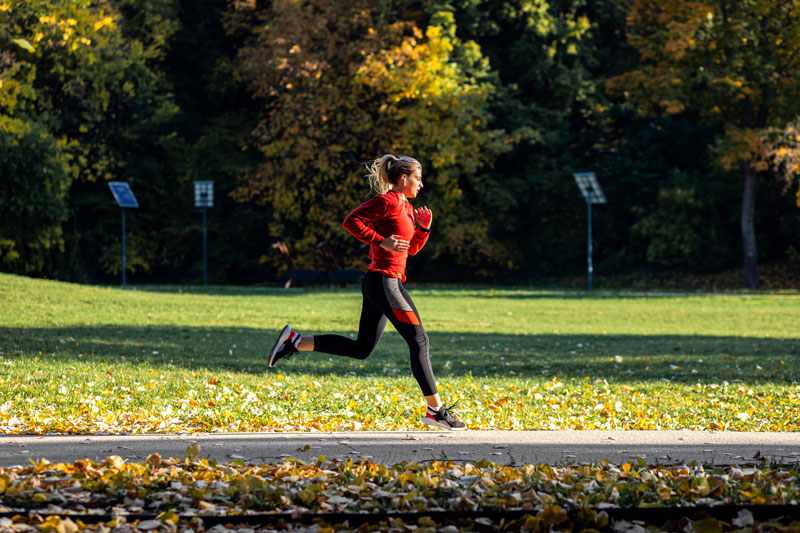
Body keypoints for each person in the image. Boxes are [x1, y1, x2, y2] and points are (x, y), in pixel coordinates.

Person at [267, 154, 466, 430]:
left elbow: (412, 249)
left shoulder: (407, 208)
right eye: (418, 179)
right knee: (419, 341)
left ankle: (295, 340)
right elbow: (351, 221)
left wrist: (423, 230)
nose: (421, 184)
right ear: (404, 178)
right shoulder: (387, 201)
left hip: (386, 282)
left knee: (362, 349)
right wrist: (380, 240)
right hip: (384, 283)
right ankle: (435, 410)